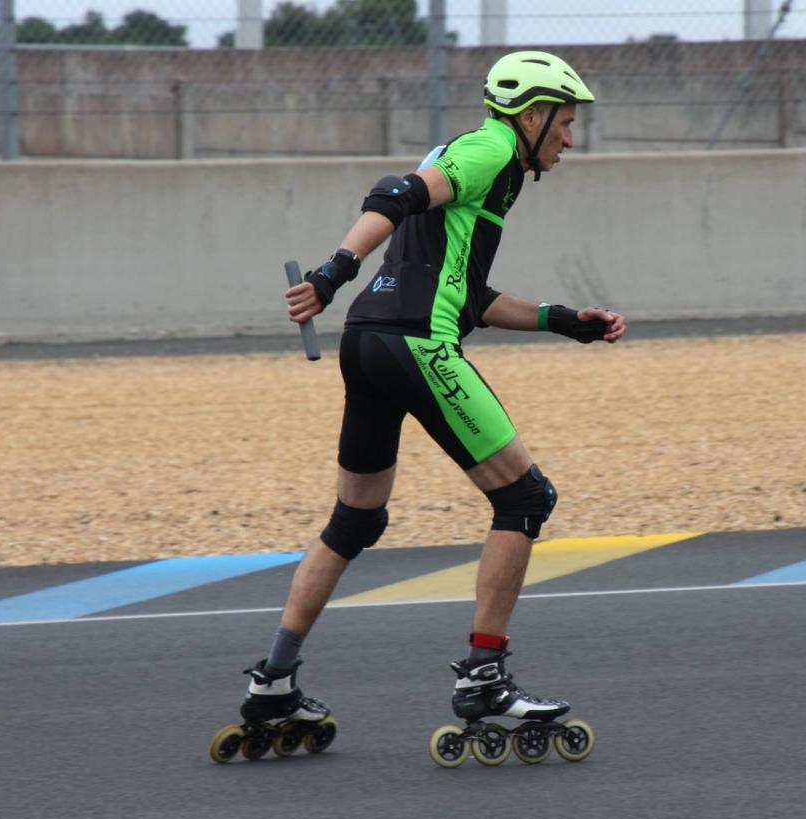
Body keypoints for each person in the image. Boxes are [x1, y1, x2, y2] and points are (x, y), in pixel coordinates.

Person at [239, 50, 626, 754]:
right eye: (566, 123)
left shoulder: (481, 169)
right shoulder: (491, 148)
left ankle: (274, 681)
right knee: (525, 499)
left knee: (354, 520)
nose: (571, 139)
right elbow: (393, 194)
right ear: (532, 115)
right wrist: (332, 271)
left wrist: (564, 320)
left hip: (370, 339)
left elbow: (467, 294)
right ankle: (485, 677)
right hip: (416, 344)